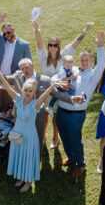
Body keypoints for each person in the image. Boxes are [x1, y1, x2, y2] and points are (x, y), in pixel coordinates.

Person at [0, 67, 61, 193]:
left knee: (27, 157)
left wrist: (52, 85)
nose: (28, 92)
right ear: (23, 91)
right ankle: (21, 178)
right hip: (17, 133)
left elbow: (44, 96)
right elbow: (8, 87)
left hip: (28, 136)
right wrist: (0, 75)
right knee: (19, 155)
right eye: (26, 90)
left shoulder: (35, 104)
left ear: (34, 93)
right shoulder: (18, 99)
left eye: (30, 91)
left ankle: (28, 181)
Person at [0, 56, 78, 150]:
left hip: (37, 119)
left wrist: (71, 99)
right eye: (23, 69)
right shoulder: (17, 77)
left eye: (27, 67)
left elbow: (57, 94)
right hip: (20, 117)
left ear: (32, 66)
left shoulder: (45, 80)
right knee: (19, 143)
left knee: (36, 144)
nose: (25, 70)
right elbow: (4, 80)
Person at [31, 20, 94, 149]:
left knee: (56, 116)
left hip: (60, 91)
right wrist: (37, 29)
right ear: (48, 46)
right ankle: (42, 137)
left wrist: (85, 30)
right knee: (43, 116)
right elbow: (38, 43)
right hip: (45, 90)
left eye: (55, 45)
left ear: (59, 46)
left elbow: (76, 43)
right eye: (50, 45)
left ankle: (55, 136)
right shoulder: (43, 56)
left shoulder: (64, 55)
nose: (53, 47)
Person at [52, 31, 105, 178]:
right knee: (64, 136)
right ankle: (71, 157)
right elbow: (55, 77)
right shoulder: (73, 70)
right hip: (62, 110)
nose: (83, 62)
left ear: (92, 62)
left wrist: (100, 47)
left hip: (76, 115)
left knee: (75, 139)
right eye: (81, 60)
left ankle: (81, 164)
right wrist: (58, 84)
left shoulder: (93, 75)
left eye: (86, 60)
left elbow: (102, 65)